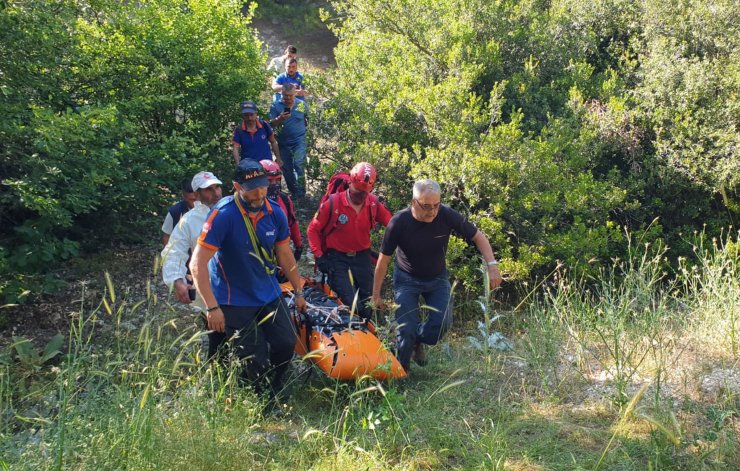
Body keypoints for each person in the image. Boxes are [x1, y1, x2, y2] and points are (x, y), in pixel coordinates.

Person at [191, 160, 306, 401]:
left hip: (268, 291)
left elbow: (284, 254)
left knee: (286, 343)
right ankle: (260, 398)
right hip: (233, 297)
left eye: (263, 185)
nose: (260, 192)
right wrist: (212, 307)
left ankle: (274, 384)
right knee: (254, 355)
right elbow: (197, 263)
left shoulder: (275, 212)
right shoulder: (222, 215)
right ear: (236, 186)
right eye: (252, 187)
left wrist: (299, 291)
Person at [371, 179, 503, 373]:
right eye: (426, 206)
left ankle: (417, 341)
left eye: (436, 205)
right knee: (406, 329)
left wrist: (492, 265)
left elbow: (478, 236)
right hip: (406, 279)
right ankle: (401, 374)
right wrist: (376, 294)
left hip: (437, 279)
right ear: (414, 201)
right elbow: (383, 261)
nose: (432, 211)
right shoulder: (399, 222)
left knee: (440, 325)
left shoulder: (446, 215)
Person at [307, 162, 392, 319]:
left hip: (362, 258)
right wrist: (319, 256)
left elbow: (392, 224)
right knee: (349, 302)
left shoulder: (373, 204)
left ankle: (367, 333)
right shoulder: (333, 203)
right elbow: (312, 230)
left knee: (368, 304)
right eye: (357, 191)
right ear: (350, 183)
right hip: (337, 258)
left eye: (364, 193)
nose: (360, 196)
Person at [161, 171, 225, 359]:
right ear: (196, 194)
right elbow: (173, 250)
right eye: (208, 189)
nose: (215, 193)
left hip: (238, 281)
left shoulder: (232, 209)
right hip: (209, 284)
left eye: (217, 187)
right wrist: (177, 279)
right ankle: (218, 371)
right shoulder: (188, 221)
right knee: (217, 332)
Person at [269, 84, 308, 198]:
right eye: (285, 95)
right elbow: (270, 124)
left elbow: (307, 119)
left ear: (295, 93)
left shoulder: (301, 105)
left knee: (299, 163)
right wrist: (279, 119)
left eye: (291, 95)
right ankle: (294, 192)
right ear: (281, 94)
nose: (288, 98)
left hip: (299, 140)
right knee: (286, 168)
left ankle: (301, 192)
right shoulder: (276, 106)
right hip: (283, 142)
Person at [259, 160, 303, 263]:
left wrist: (299, 245)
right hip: (258, 254)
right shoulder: (252, 203)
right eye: (269, 181)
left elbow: (292, 223)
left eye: (277, 180)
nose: (274, 184)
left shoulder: (285, 200)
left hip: (281, 250)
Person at [232, 100, 282, 166]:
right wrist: (238, 164)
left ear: (256, 113)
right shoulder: (239, 130)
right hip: (248, 167)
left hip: (267, 164)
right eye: (246, 115)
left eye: (251, 115)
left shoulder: (264, 125)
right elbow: (235, 148)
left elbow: (273, 142)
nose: (249, 118)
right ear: (242, 115)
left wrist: (278, 158)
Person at [161, 178, 196, 246]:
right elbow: (166, 237)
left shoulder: (209, 209)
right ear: (184, 196)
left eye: (197, 199)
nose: (195, 203)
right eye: (192, 200)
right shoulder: (175, 212)